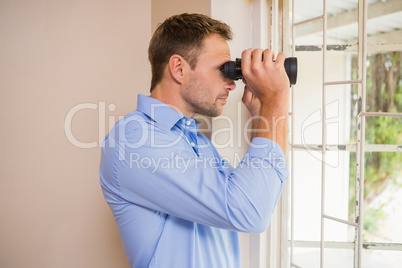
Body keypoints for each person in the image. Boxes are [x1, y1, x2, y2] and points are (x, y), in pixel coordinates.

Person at [100, 13, 290, 268]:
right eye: (223, 69)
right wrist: (276, 101)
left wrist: (263, 116)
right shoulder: (134, 140)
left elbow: (251, 195)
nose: (232, 84)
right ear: (179, 68)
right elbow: (250, 212)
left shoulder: (193, 139)